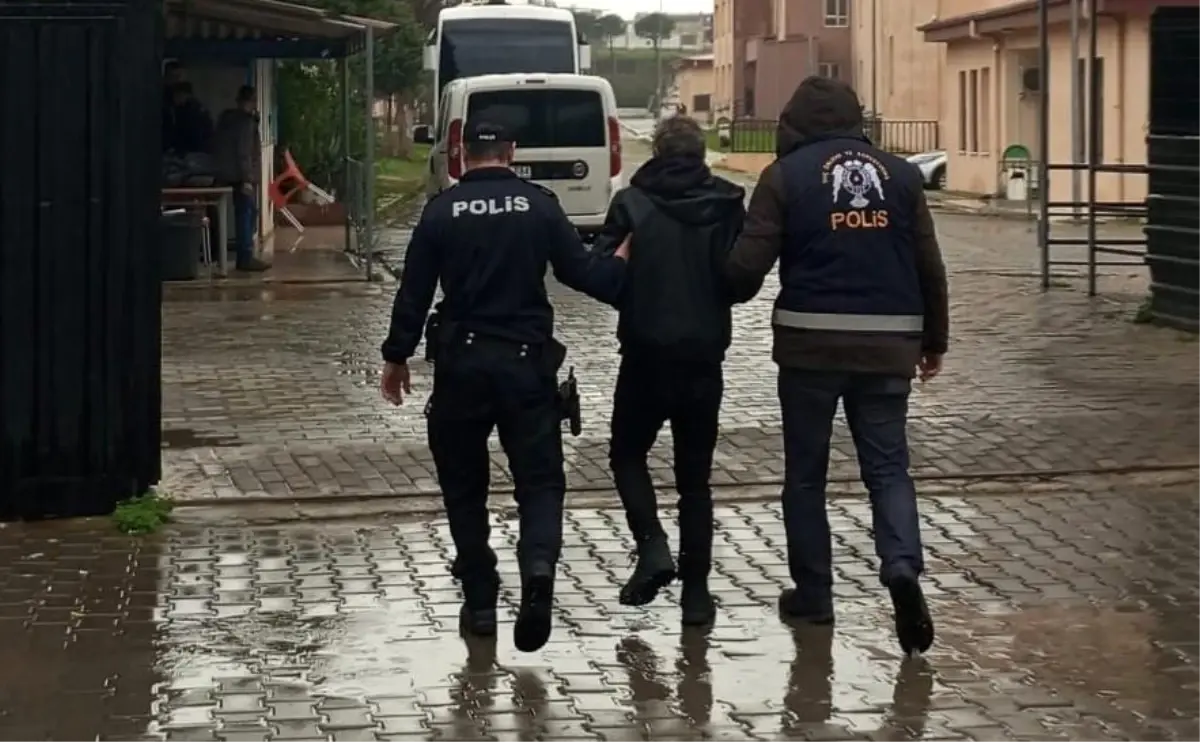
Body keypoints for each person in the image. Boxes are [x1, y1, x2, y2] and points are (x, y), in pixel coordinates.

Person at [379, 121, 630, 653]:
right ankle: (537, 569)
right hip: (526, 368)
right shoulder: (539, 206)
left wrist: (396, 356)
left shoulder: (441, 211)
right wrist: (622, 265)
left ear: (462, 154)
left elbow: (414, 291)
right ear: (511, 152)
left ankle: (480, 601)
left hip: (462, 368)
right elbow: (583, 274)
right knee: (540, 482)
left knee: (463, 487)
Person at [724, 77, 950, 655]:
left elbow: (745, 272)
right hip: (890, 345)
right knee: (888, 469)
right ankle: (901, 567)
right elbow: (928, 263)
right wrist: (935, 341)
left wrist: (704, 273)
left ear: (794, 122)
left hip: (810, 348)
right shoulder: (902, 177)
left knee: (805, 476)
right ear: (857, 119)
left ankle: (815, 596)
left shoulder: (784, 177)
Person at [591, 115, 745, 627]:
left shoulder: (631, 204)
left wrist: (626, 266)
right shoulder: (727, 204)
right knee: (695, 480)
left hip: (645, 353)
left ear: (657, 152)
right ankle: (697, 595)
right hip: (703, 355)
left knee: (626, 454)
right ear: (701, 154)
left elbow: (604, 277)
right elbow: (740, 279)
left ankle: (652, 545)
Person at [213, 85, 268, 272]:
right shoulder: (246, 123)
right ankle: (245, 257)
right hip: (240, 175)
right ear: (252, 102)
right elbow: (244, 152)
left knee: (236, 212)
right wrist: (247, 179)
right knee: (247, 213)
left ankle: (220, 253)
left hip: (224, 171)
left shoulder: (227, 119)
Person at [166, 82, 213, 155]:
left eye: (177, 95)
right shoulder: (192, 108)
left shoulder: (191, 110)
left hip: (194, 150)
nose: (174, 99)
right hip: (197, 149)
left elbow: (190, 132)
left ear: (184, 94)